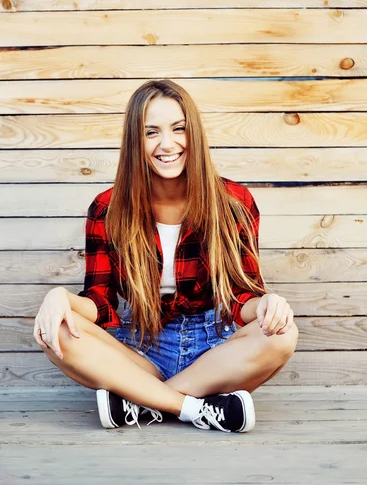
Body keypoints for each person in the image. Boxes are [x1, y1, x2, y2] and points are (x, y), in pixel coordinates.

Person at [34, 79, 298, 433]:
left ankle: (141, 402)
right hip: (140, 346)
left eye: (179, 129)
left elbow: (240, 297)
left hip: (213, 352)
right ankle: (194, 408)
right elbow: (100, 302)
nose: (167, 144)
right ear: (135, 141)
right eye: (151, 132)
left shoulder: (234, 202)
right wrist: (59, 299)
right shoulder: (107, 208)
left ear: (195, 135)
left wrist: (268, 305)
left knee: (283, 335)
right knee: (56, 332)